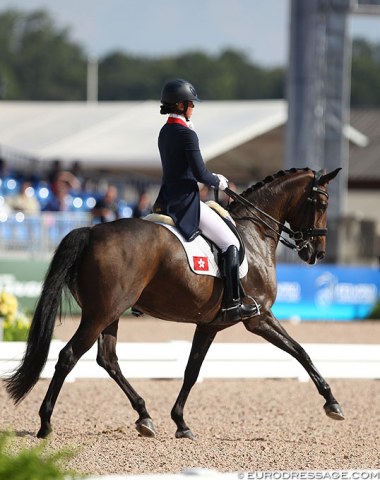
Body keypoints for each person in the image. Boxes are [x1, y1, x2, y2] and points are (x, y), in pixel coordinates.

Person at [152, 78, 258, 324]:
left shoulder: (165, 131)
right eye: (190, 103)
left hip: (166, 199)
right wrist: (217, 181)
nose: (193, 107)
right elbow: (200, 173)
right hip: (186, 202)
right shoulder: (187, 134)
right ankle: (233, 304)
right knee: (230, 242)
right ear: (180, 105)